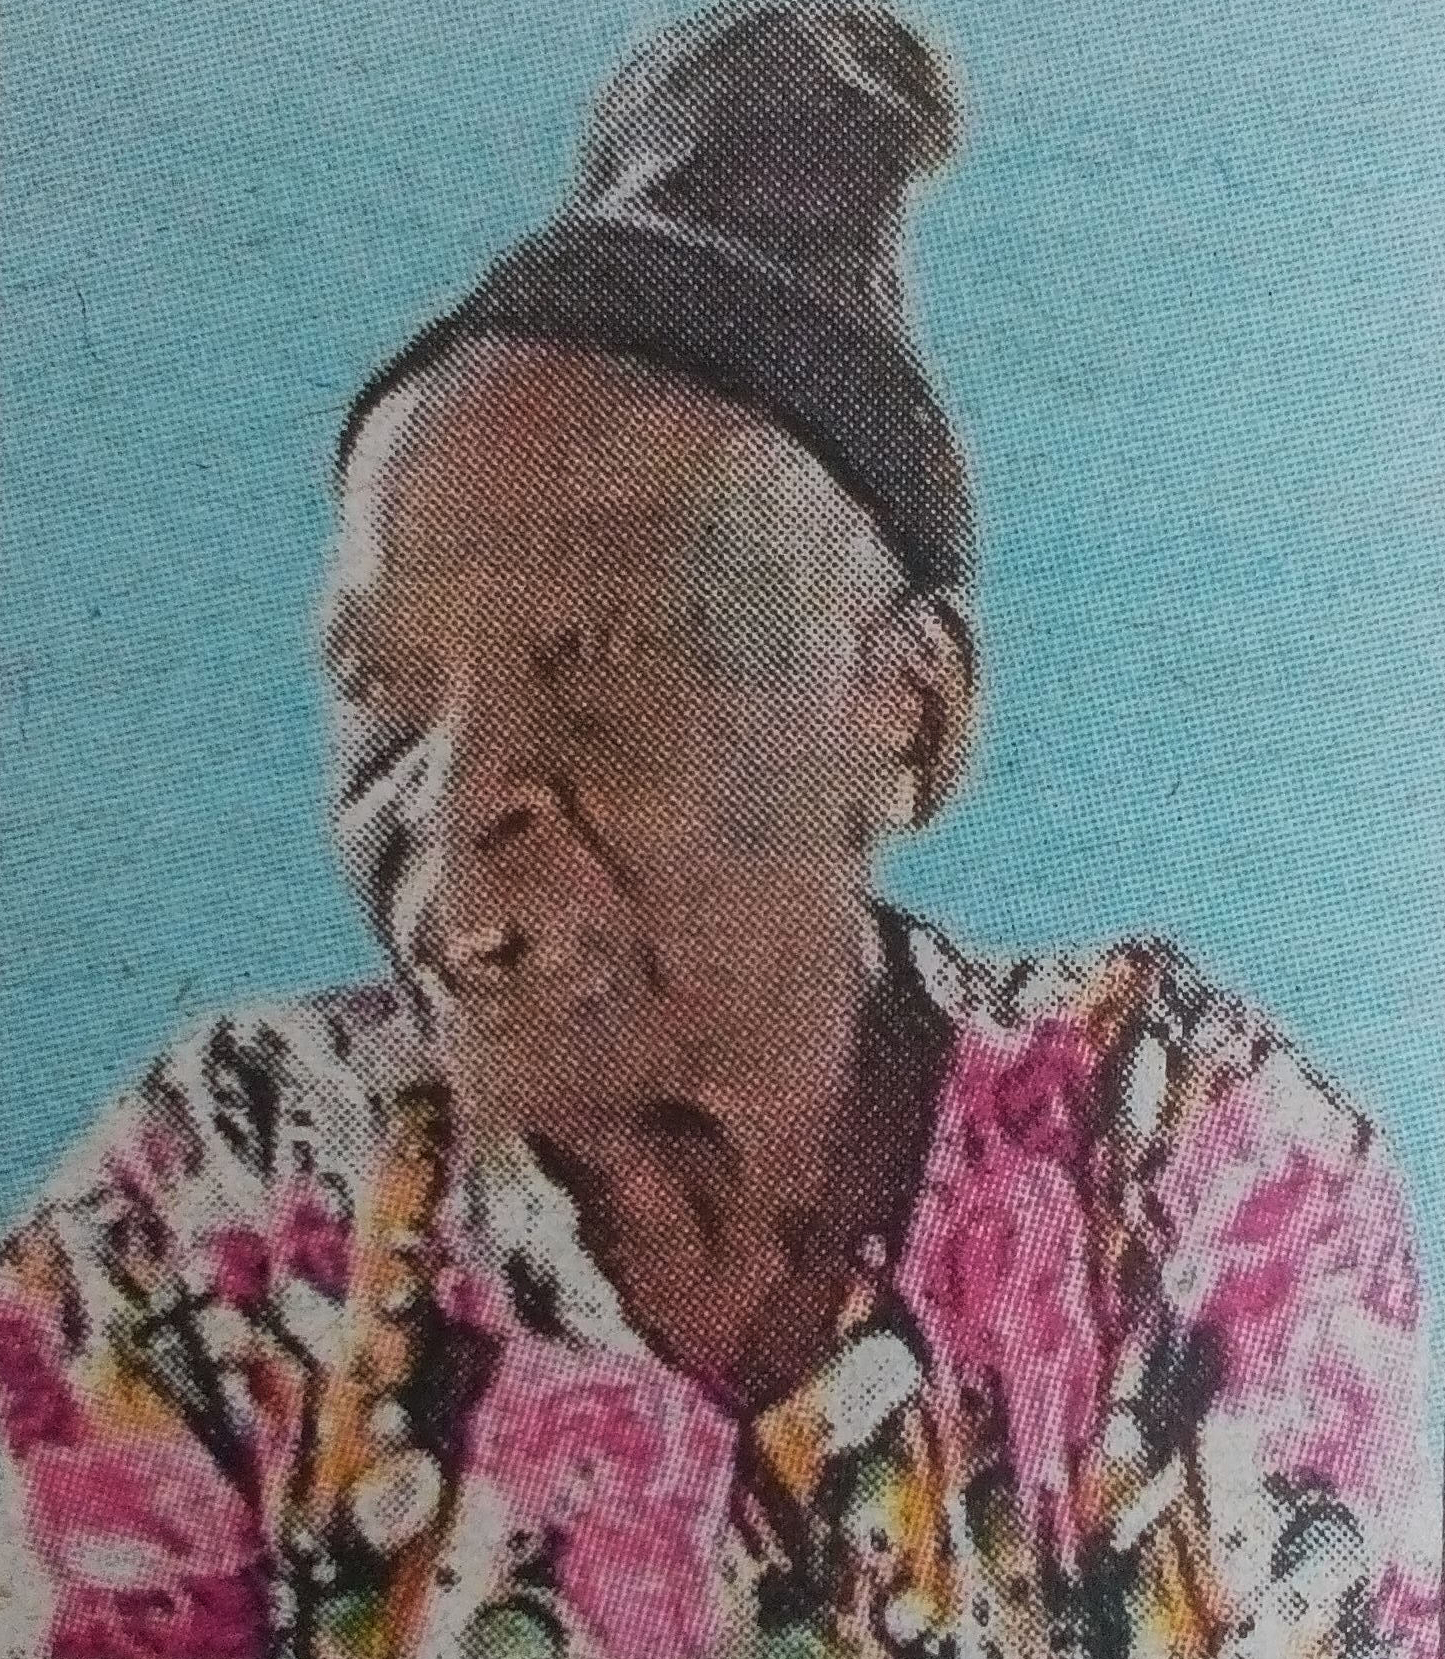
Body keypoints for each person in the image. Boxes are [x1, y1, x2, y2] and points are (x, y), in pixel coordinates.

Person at [0, 4, 1438, 1656]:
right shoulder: (220, 1218)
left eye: (599, 660)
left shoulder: (1169, 1169)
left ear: (906, 713)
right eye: (382, 687)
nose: (458, 804)